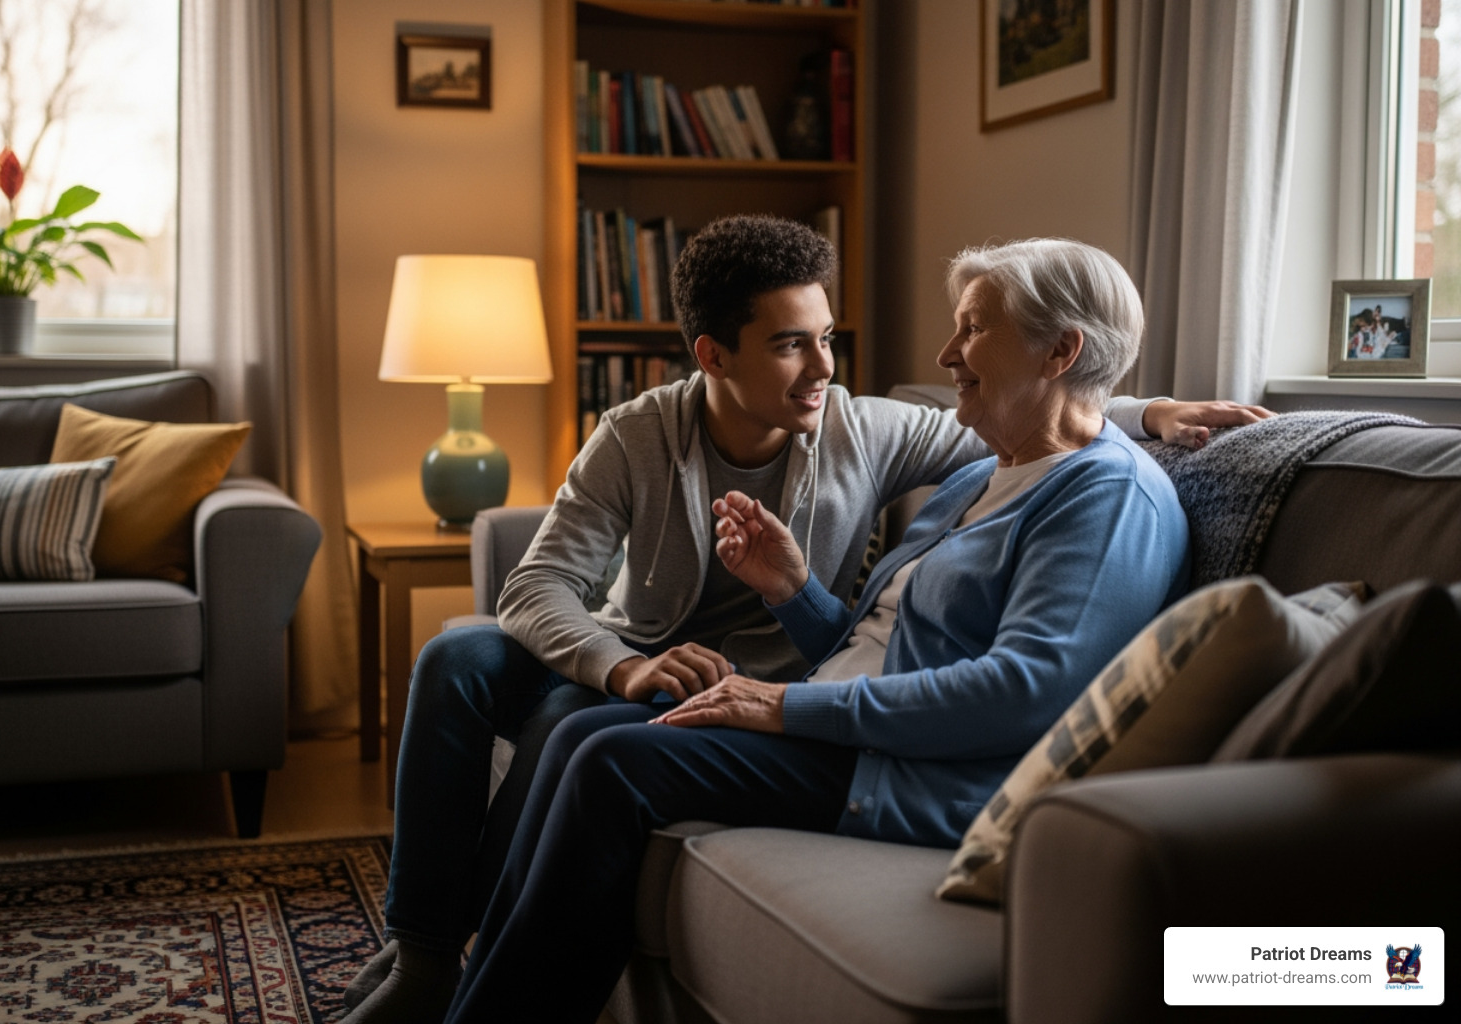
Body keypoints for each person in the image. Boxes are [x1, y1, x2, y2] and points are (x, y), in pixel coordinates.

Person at [342, 218, 1267, 1022]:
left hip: (877, 751)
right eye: (793, 344)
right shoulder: (978, 474)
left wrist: (1147, 410)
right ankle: (431, 961)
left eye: (971, 328)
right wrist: (786, 595)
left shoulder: (1090, 489)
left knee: (600, 750)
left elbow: (1030, 680)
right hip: (752, 688)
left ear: (1058, 352)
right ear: (713, 355)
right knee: (502, 681)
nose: (943, 356)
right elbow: (873, 639)